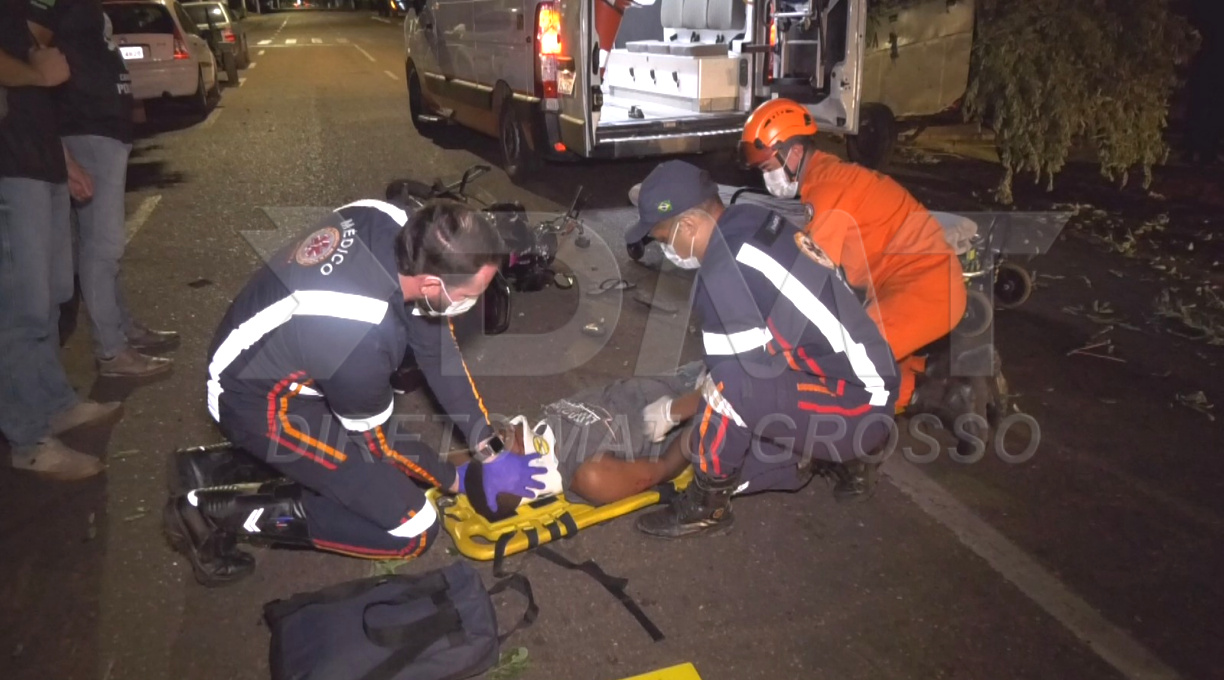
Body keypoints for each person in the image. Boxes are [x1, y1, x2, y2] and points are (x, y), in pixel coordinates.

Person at [164, 199, 546, 586]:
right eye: (471, 294)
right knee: (413, 528)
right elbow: (382, 442)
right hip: (254, 400)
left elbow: (436, 352)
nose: (471, 305)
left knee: (354, 458)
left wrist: (488, 446)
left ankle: (208, 468)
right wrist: (456, 480)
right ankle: (207, 514)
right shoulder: (360, 338)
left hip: (273, 354)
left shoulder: (395, 223)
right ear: (432, 284)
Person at [620, 161, 899, 538]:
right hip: (872, 374)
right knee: (733, 383)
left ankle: (708, 505)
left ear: (687, 225)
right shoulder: (749, 217)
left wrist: (672, 411)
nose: (666, 249)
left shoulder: (721, 273)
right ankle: (839, 455)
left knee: (726, 412)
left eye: (663, 238)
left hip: (855, 407)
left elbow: (730, 382)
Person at [739, 98, 966, 418]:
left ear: (795, 152)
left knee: (839, 365)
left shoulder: (828, 192)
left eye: (768, 167)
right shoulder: (826, 179)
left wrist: (766, 339)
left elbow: (804, 283)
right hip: (918, 286)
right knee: (849, 340)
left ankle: (936, 396)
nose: (767, 177)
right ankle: (937, 370)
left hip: (925, 291)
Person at [1, 4, 121, 480]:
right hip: (9, 168)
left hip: (38, 156)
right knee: (19, 309)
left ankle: (53, 404)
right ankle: (27, 439)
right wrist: (34, 72)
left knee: (51, 298)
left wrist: (62, 155)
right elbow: (37, 75)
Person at [29, 0, 179, 378]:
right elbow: (33, 53)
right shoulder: (54, 7)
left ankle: (122, 329)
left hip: (102, 128)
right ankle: (112, 350)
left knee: (96, 246)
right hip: (87, 129)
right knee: (103, 247)